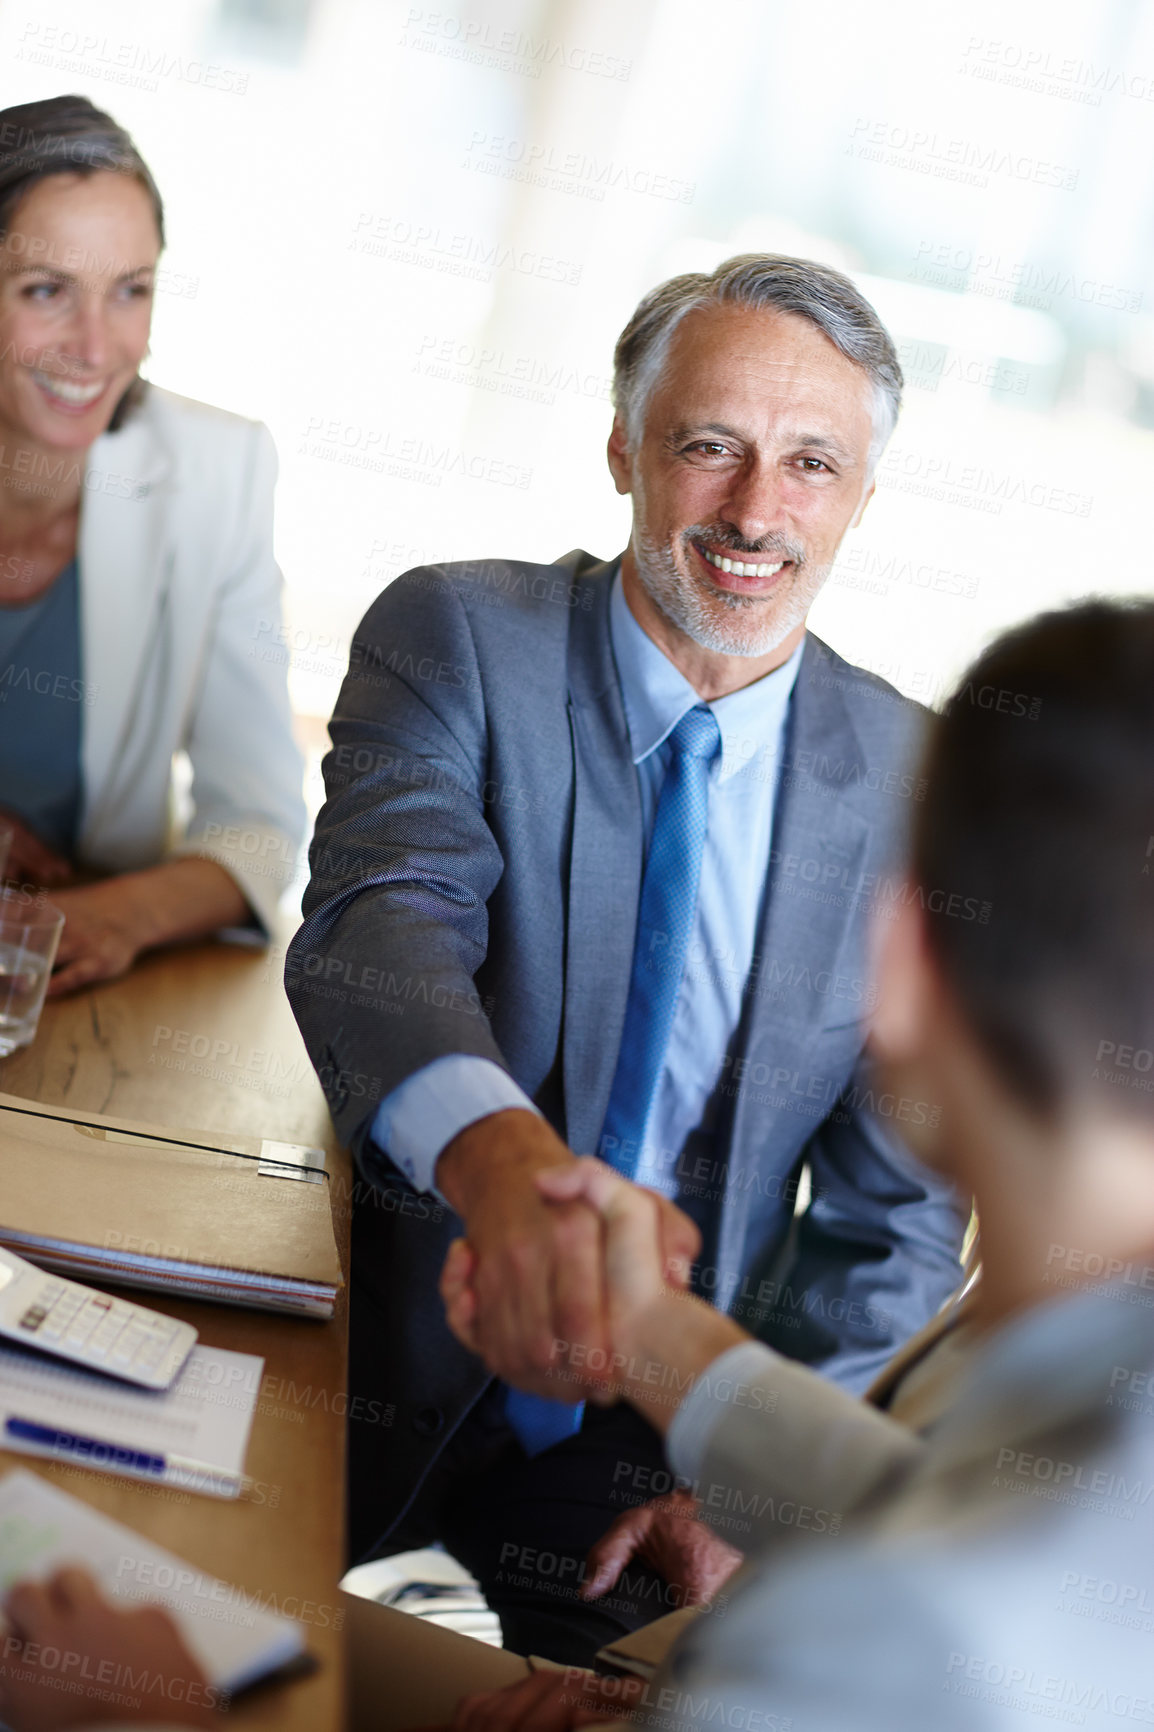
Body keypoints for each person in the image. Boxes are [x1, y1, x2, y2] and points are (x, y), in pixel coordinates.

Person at [288, 253, 967, 1661]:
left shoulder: (915, 782)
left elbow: (883, 1218)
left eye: (810, 465)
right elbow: (377, 929)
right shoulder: (458, 637)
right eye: (708, 446)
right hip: (372, 1338)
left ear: (861, 497)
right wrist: (514, 1182)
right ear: (622, 448)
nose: (755, 512)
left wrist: (754, 1483)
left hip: (655, 1435)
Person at [349, 596, 1154, 1732]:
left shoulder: (870, 1640)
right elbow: (938, 1505)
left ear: (901, 965)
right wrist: (645, 1327)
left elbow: (917, 1603)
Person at [0, 96, 304, 993]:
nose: (96, 347)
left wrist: (110, 917)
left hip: (53, 994)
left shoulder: (219, 472)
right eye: (47, 290)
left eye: (130, 290)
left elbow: (257, 826)